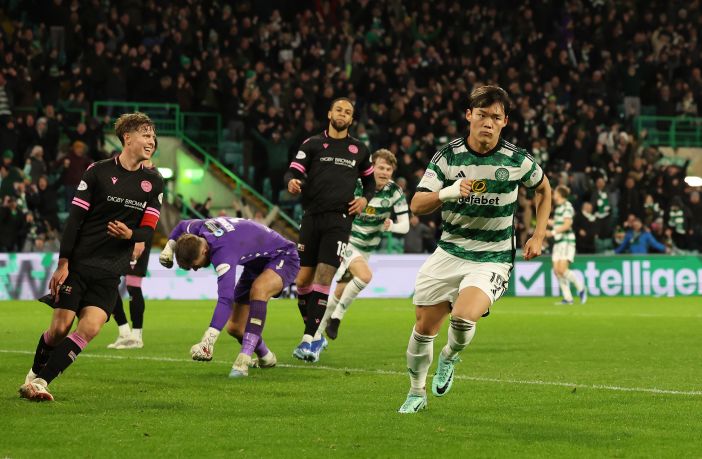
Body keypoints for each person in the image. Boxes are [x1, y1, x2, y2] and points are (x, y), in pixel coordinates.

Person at [397, 86, 552, 413]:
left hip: (493, 256)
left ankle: (449, 356)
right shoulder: (448, 157)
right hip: (449, 252)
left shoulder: (517, 160)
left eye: (496, 117)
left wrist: (539, 235)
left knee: (464, 317)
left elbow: (543, 188)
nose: (488, 123)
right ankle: (416, 392)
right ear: (469, 116)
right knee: (424, 328)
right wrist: (448, 191)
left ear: (505, 121)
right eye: (481, 115)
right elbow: (417, 204)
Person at [19, 112, 162, 401]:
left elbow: (148, 231)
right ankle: (33, 375)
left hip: (110, 271)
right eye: (145, 135)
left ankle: (42, 382)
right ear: (127, 138)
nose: (152, 141)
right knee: (59, 329)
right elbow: (74, 220)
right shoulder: (98, 171)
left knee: (91, 328)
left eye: (153, 136)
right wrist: (63, 263)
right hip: (80, 265)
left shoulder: (153, 181)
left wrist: (130, 235)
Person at [284, 97, 375, 362]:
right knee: (302, 282)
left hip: (339, 221)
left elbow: (370, 183)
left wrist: (364, 200)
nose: (343, 114)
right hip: (311, 217)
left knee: (323, 277)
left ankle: (308, 340)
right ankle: (316, 334)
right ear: (329, 114)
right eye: (339, 110)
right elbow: (291, 172)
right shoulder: (312, 144)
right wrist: (291, 183)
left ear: (351, 119)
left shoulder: (360, 150)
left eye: (348, 112)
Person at [158, 216, 300, 377]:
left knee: (259, 289)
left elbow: (226, 299)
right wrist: (169, 248)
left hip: (283, 256)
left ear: (204, 251)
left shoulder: (223, 253)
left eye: (195, 265)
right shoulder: (202, 229)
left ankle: (244, 358)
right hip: (255, 265)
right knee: (235, 328)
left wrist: (208, 340)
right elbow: (182, 225)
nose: (196, 269)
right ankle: (266, 357)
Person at [318, 149, 409, 342]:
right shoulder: (356, 184)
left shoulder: (395, 192)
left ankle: (316, 334)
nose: (384, 172)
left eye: (389, 169)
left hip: (367, 250)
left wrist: (392, 226)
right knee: (365, 276)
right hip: (348, 241)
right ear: (372, 167)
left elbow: (405, 226)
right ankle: (337, 317)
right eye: (381, 168)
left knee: (340, 291)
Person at [107, 160, 157, 350]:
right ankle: (124, 332)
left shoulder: (153, 178)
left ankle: (137, 336)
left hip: (139, 236)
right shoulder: (127, 173)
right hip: (120, 234)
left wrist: (140, 239)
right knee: (109, 282)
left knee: (133, 284)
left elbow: (151, 212)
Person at [547, 186, 587, 305]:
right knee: (556, 271)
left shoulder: (567, 206)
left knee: (562, 270)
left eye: (555, 192)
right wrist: (545, 221)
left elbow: (567, 224)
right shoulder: (559, 208)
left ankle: (581, 288)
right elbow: (558, 223)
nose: (554, 194)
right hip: (559, 241)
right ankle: (568, 298)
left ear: (560, 194)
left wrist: (552, 233)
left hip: (566, 241)